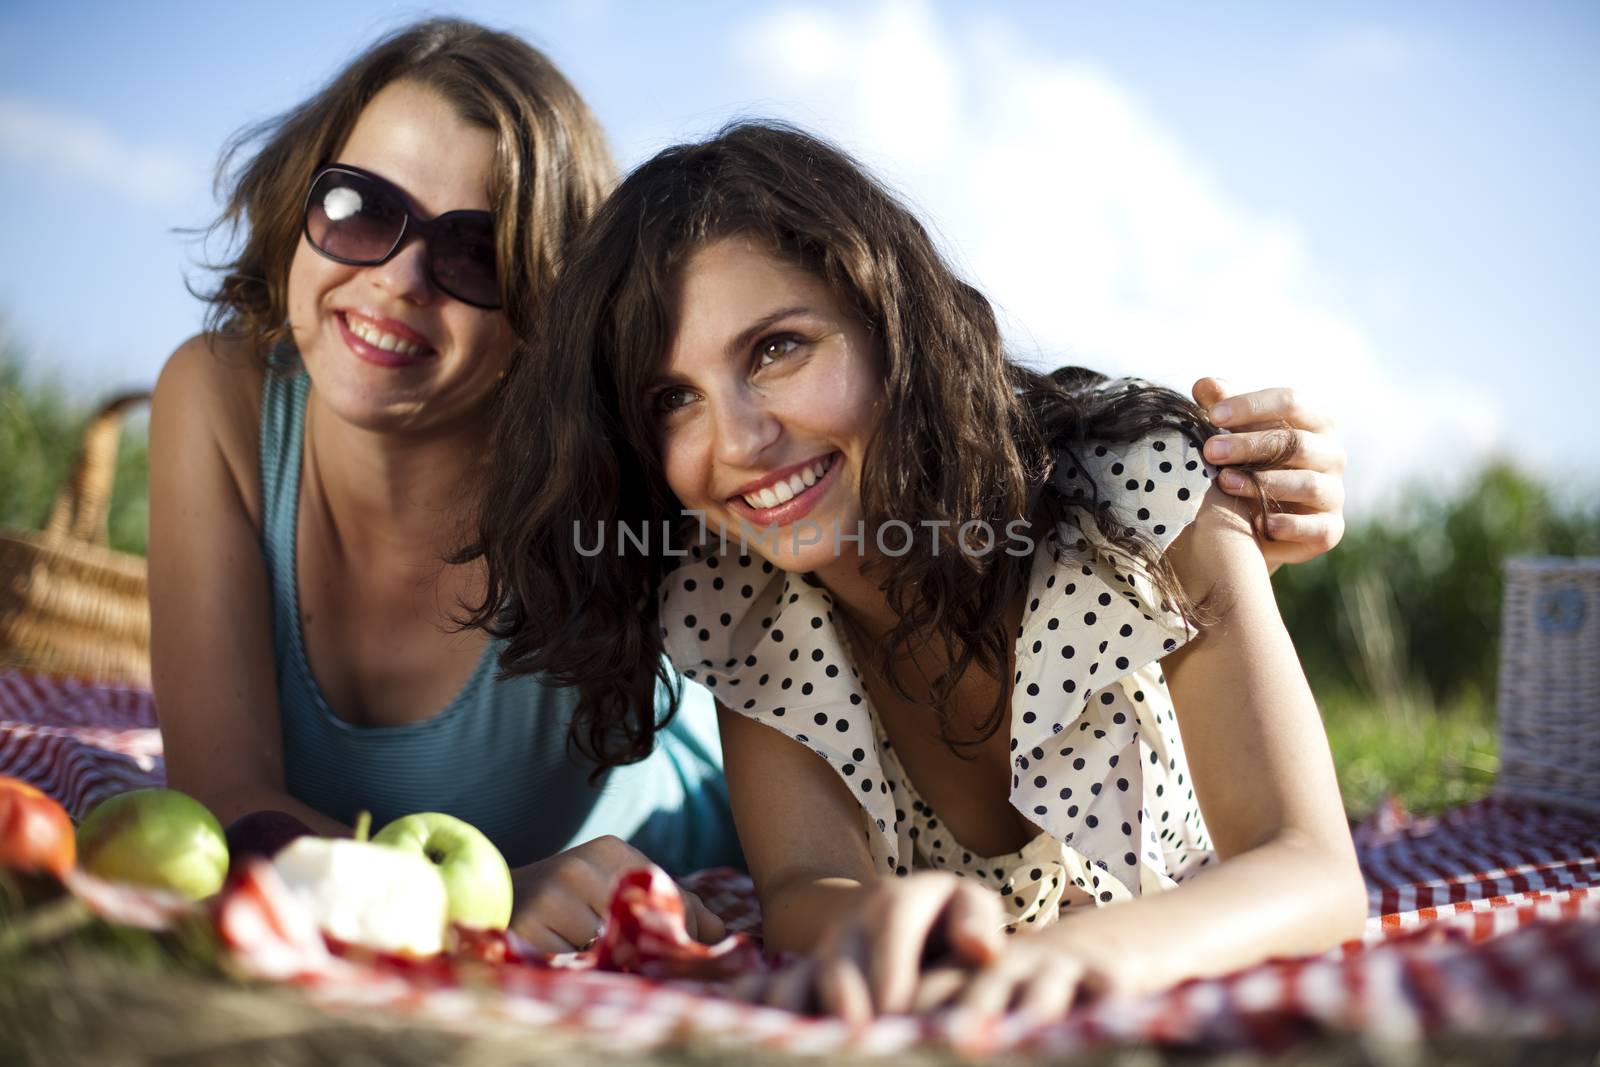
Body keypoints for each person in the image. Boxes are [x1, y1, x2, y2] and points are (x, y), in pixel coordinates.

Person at [469, 121, 1365, 1017]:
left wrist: (1083, 954)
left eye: (777, 348)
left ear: (889, 322)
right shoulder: (734, 601)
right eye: (674, 400)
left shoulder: (1141, 492)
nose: (739, 440)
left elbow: (1309, 865)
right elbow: (809, 886)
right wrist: (895, 934)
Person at [147, 19, 743, 951]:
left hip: (685, 845)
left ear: (545, 303)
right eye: (359, 208)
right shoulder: (218, 398)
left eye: (475, 253)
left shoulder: (606, 478)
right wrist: (490, 893)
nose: (397, 278)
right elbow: (223, 802)